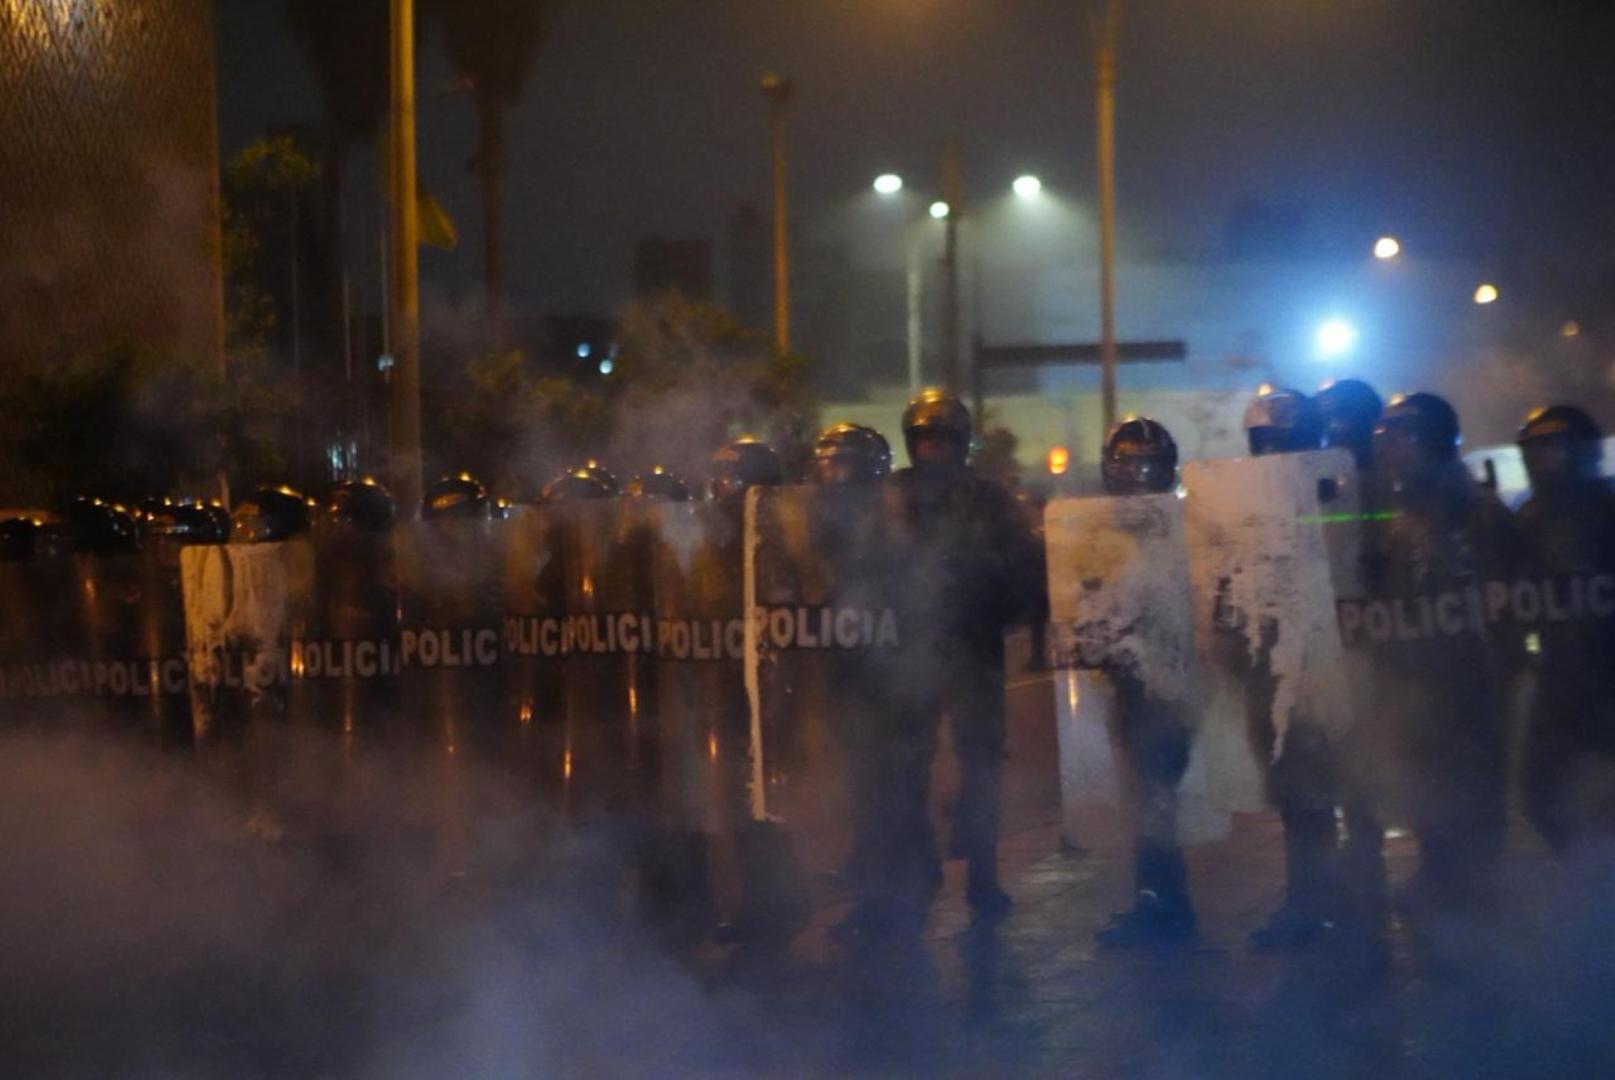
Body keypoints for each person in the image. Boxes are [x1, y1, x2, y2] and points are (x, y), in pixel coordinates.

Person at [1367, 391, 1523, 916]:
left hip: (1468, 688)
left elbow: (1502, 609)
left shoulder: (1475, 514)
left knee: (1471, 800)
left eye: (1399, 438)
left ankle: (1476, 904)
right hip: (1419, 688)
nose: (1388, 450)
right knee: (1430, 796)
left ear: (1429, 441)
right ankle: (1441, 882)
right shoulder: (1400, 514)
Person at [889, 388, 1041, 925]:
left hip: (973, 648)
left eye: (941, 439)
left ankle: (983, 873)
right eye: (923, 439)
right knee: (904, 766)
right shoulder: (892, 497)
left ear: (960, 443)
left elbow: (1024, 566)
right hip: (909, 650)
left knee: (981, 764)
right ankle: (917, 868)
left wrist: (994, 603)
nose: (932, 449)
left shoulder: (990, 501)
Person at [1091, 418, 1201, 947]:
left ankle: (1167, 906)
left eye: (1146, 466)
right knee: (1145, 795)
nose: (1136, 476)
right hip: (1126, 679)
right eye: (1127, 465)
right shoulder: (1096, 531)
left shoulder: (1189, 527)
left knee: (1157, 795)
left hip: (1174, 680)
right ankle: (1156, 899)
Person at [1513, 406, 1615, 854]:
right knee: (1540, 792)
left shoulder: (1609, 511)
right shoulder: (1528, 520)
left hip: (1607, 678)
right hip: (1558, 682)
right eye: (1533, 452)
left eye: (1551, 450)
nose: (1541, 462)